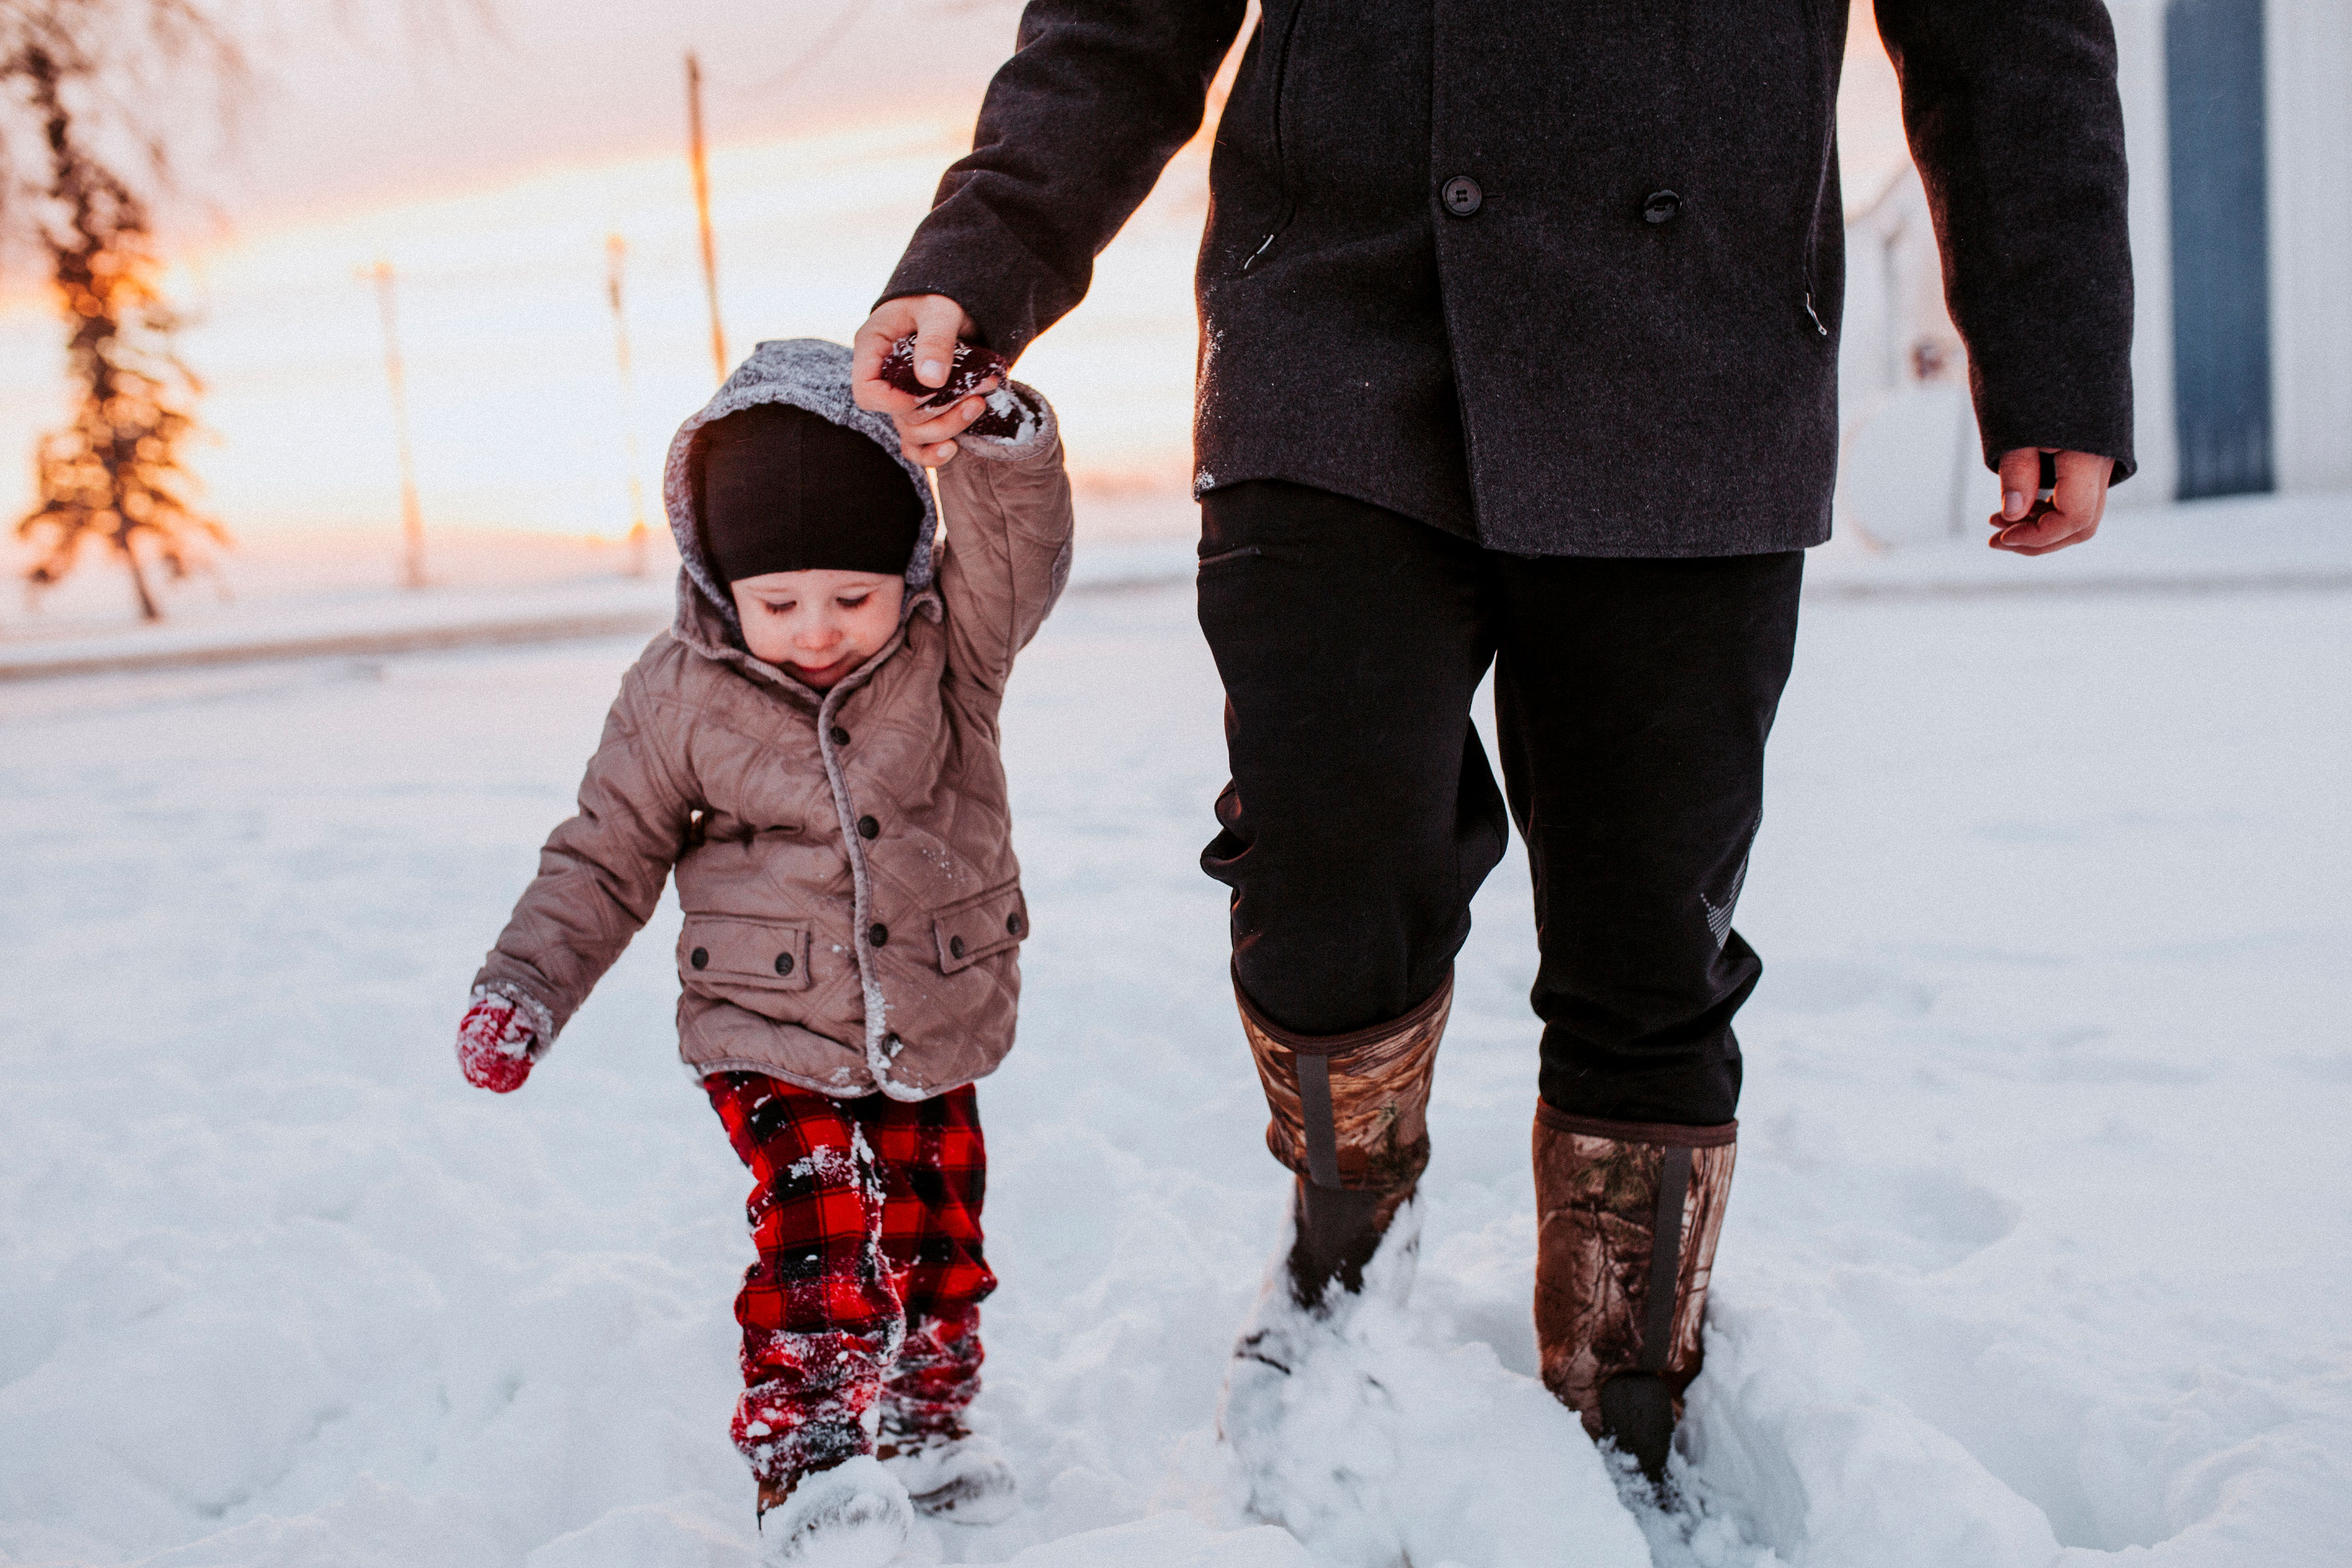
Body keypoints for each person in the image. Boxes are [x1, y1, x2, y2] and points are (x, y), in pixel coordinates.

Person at [851, 0, 2134, 1498]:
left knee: (1649, 924)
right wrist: (977, 257)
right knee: (1328, 851)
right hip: (1335, 325)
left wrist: (2051, 351)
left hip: (1697, 344)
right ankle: (1347, 1242)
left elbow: (2008, 28)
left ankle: (1624, 1388)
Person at [453, 338, 1071, 1565]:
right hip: (764, 1021)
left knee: (939, 1232)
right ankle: (811, 1458)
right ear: (722, 583)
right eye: (779, 604)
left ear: (906, 567)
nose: (818, 631)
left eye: (853, 596)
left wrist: (1000, 436)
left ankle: (928, 1422)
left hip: (931, 1004)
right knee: (824, 1218)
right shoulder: (677, 692)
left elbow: (1018, 552)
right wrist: (526, 982)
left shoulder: (954, 657)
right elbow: (604, 852)